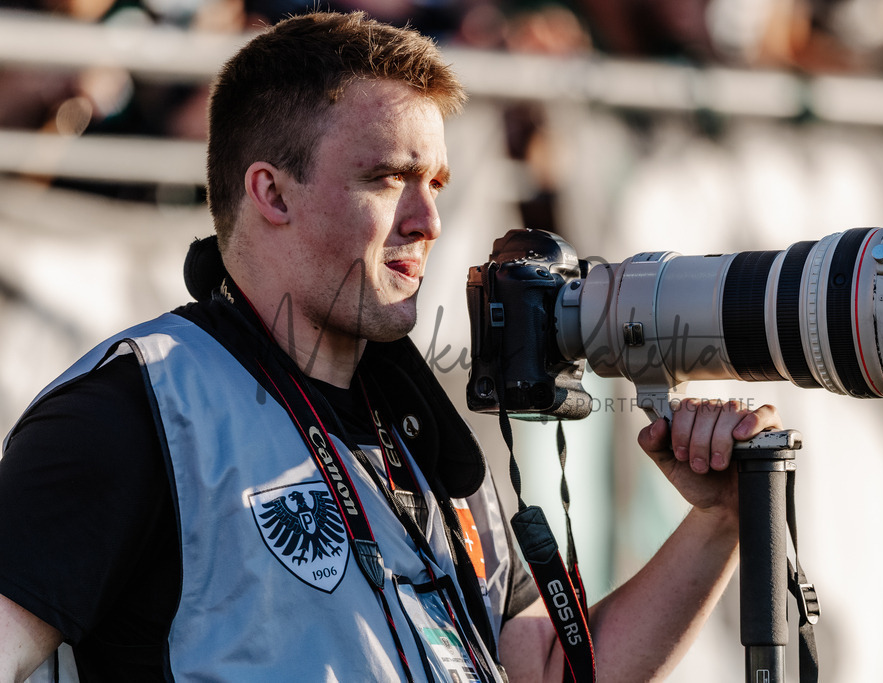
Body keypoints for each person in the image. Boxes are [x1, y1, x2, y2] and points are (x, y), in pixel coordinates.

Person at [0, 11, 781, 682]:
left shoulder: (420, 426)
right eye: (387, 178)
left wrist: (718, 519)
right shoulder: (135, 409)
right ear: (271, 192)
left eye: (436, 182)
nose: (428, 220)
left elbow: (547, 666)